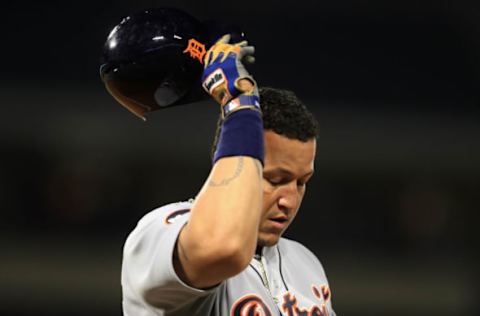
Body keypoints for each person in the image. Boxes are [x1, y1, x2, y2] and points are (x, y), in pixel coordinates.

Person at [121, 35, 336, 315]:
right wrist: (237, 103)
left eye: (301, 182)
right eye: (275, 179)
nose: (290, 200)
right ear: (233, 160)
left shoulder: (306, 265)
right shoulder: (160, 231)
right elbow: (223, 248)